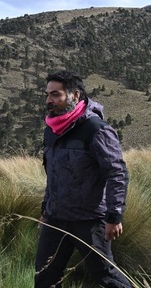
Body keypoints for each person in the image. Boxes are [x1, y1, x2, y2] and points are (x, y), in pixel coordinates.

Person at [35, 70, 131, 288]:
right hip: (56, 218)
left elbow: (117, 173)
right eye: (47, 95)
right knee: (45, 277)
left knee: (107, 277)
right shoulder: (51, 130)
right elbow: (54, 175)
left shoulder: (96, 130)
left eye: (56, 95)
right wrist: (45, 209)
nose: (49, 100)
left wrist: (114, 216)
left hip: (89, 221)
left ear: (75, 95)